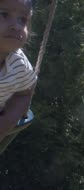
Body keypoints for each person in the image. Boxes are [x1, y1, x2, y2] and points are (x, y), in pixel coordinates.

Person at [0, 0, 36, 142]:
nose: (16, 26)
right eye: (3, 14)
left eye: (23, 20)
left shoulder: (19, 63)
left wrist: (6, 122)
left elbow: (24, 94)